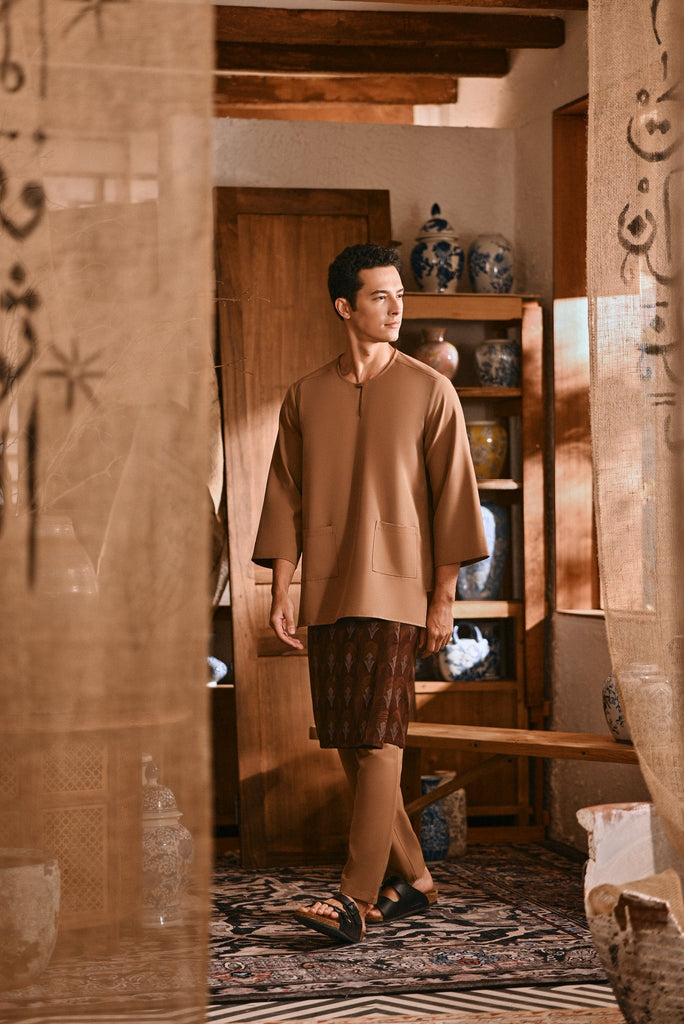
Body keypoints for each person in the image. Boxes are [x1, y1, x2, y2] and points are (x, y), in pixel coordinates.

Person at [252, 242, 488, 944]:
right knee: (351, 743)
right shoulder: (305, 395)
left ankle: (353, 896)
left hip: (399, 591)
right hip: (328, 590)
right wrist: (281, 590)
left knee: (381, 741)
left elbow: (455, 501)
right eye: (380, 296)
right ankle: (416, 879)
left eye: (399, 295)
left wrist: (442, 600)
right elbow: (283, 495)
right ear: (344, 306)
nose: (395, 308)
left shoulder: (431, 390)